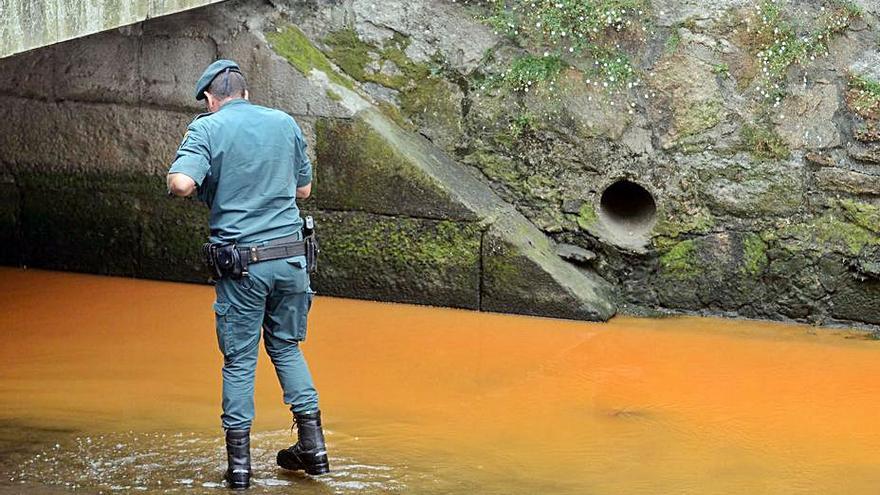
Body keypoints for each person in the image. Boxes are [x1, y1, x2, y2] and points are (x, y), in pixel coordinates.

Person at [166, 59, 329, 489]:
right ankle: (313, 448)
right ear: (246, 93)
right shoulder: (284, 122)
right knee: (287, 347)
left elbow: (182, 183)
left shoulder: (207, 127)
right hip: (293, 259)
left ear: (209, 99)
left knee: (239, 360)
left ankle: (239, 468)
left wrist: (183, 181)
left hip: (243, 266)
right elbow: (303, 190)